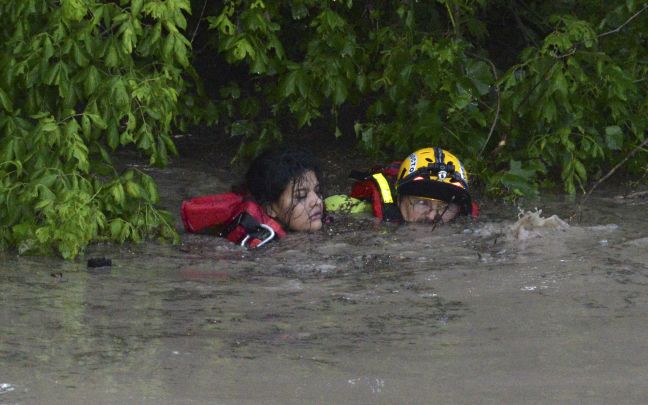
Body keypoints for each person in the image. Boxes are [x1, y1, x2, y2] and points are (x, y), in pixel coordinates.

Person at [181, 148, 324, 248]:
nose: (317, 201)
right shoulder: (259, 245)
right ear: (270, 208)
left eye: (317, 191)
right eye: (301, 196)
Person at [325, 147, 478, 224]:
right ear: (399, 200)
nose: (432, 217)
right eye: (422, 202)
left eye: (446, 207)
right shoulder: (348, 212)